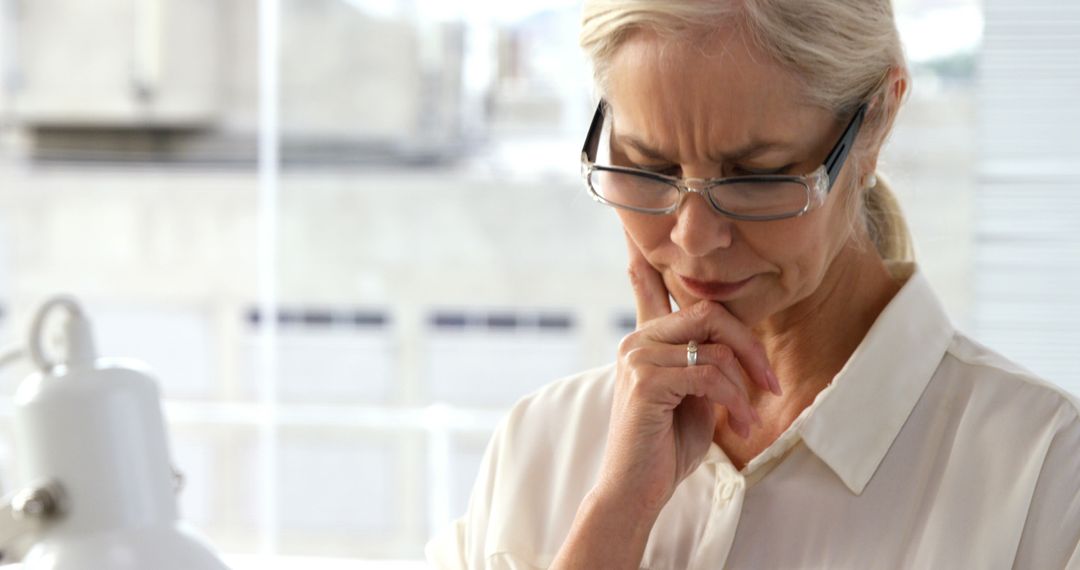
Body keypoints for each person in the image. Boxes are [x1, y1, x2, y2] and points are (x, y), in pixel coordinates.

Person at [427, 1, 1080, 568]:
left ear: (876, 120)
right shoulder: (542, 445)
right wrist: (617, 515)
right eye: (648, 167)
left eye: (756, 176)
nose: (692, 237)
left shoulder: (1045, 478)